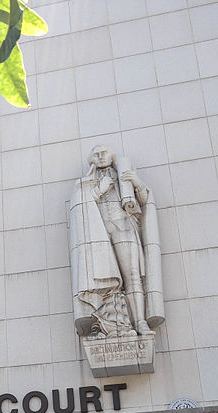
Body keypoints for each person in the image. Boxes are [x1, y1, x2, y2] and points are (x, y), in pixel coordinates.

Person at [69, 145, 164, 339]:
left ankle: (140, 321)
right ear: (91, 160)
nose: (101, 157)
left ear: (112, 156)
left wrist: (136, 183)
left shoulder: (123, 177)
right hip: (99, 235)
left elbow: (144, 202)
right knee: (107, 282)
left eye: (104, 153)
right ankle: (109, 324)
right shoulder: (86, 183)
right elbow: (79, 207)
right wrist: (99, 190)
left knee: (133, 276)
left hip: (123, 228)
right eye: (96, 154)